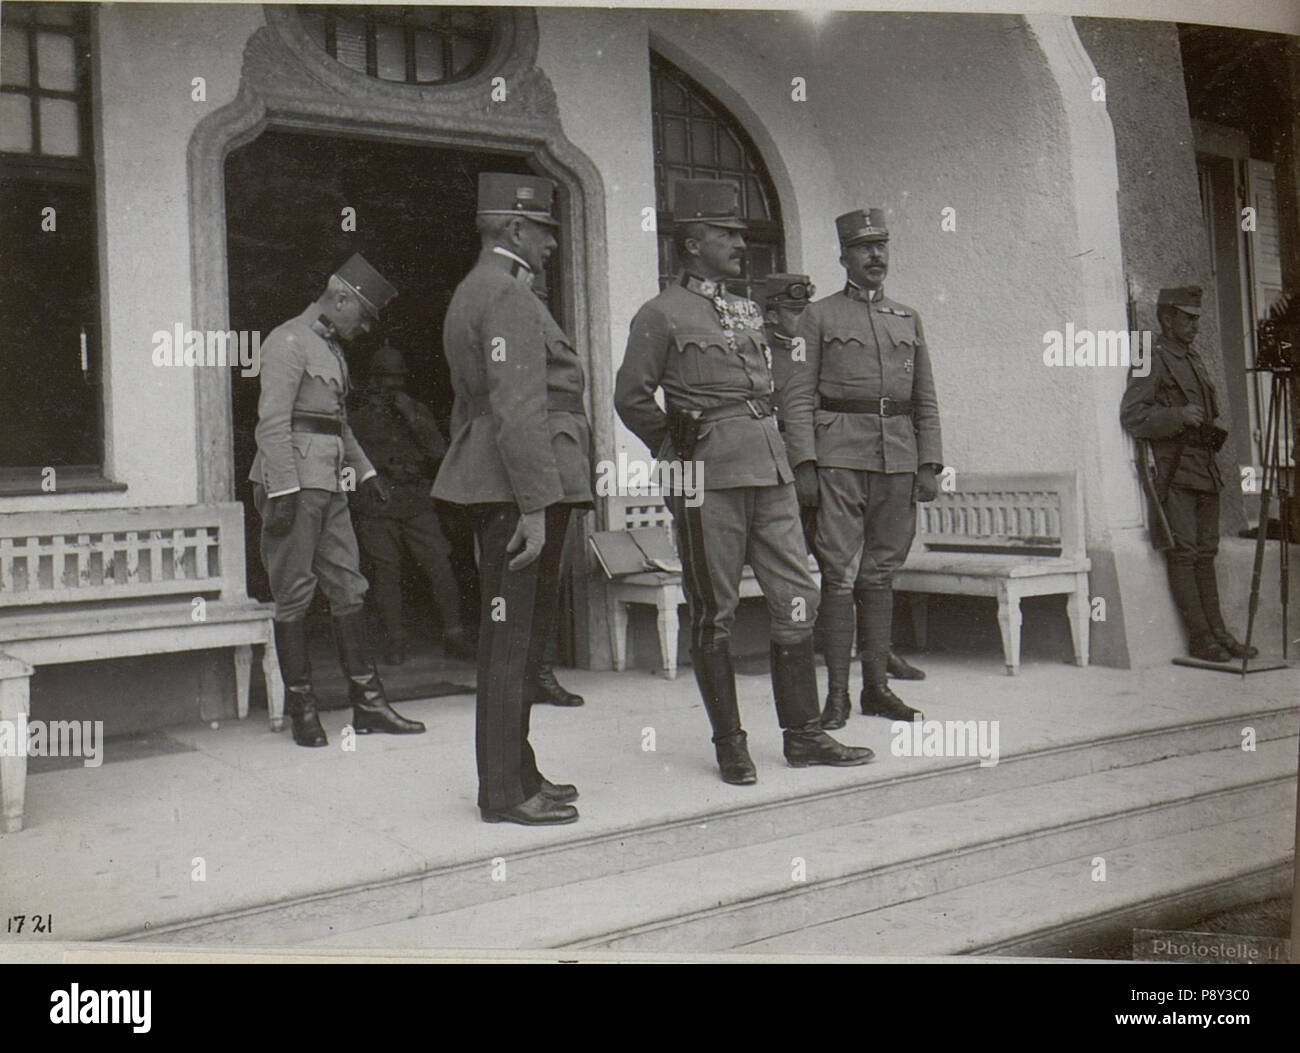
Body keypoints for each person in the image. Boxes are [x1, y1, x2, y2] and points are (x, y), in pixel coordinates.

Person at [615, 179, 874, 786]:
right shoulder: (659, 314)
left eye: (740, 232)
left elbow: (773, 388)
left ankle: (804, 735)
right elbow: (630, 395)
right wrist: (676, 446)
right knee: (716, 611)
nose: (740, 242)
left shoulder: (743, 309)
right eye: (726, 234)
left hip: (770, 467)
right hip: (708, 477)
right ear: (692, 242)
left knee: (796, 596)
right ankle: (731, 744)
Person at [432, 172, 593, 826]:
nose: (553, 244)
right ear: (513, 228)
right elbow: (519, 406)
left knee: (517, 640)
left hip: (501, 481)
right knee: (511, 640)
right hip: (522, 489)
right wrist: (532, 505)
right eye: (545, 231)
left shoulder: (481, 291)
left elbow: (470, 407)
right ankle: (503, 791)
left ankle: (518, 770)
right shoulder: (508, 297)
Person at [249, 254, 426, 748]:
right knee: (295, 591)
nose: (366, 326)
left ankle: (368, 705)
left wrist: (366, 472)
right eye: (363, 314)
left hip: (329, 483)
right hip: (295, 485)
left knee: (349, 584)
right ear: (340, 296)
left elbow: (336, 424)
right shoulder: (287, 341)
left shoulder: (332, 351)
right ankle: (303, 708)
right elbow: (272, 422)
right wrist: (282, 490)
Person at [782, 210, 943, 731]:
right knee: (837, 574)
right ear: (844, 257)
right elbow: (798, 395)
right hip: (839, 459)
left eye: (882, 247)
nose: (876, 257)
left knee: (880, 575)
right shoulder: (819, 316)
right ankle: (836, 696)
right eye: (864, 249)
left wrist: (930, 462)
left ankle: (876, 688)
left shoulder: (907, 318)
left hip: (896, 457)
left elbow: (926, 399)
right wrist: (804, 462)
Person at [764, 273, 926, 683]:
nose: (796, 316)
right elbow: (792, 403)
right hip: (801, 463)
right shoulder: (768, 349)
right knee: (830, 566)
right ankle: (825, 672)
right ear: (770, 313)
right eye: (788, 310)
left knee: (869, 568)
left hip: (851, 455)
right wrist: (805, 462)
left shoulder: (881, 321)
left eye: (800, 309)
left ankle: (877, 658)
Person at [1120, 285, 1256, 662]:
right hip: (1175, 470)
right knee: (1184, 554)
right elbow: (1132, 415)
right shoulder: (1149, 355)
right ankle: (1200, 637)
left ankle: (1219, 633)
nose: (1195, 324)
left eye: (1196, 317)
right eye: (1187, 317)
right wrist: (1177, 416)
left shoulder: (1193, 358)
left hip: (1205, 468)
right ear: (1166, 318)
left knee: (1206, 553)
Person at [348, 344, 475, 665]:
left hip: (416, 500)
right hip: (377, 504)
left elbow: (438, 452)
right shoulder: (357, 418)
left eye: (396, 379)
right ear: (372, 381)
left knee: (439, 566)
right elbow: (349, 461)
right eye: (383, 379)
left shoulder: (415, 411)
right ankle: (395, 640)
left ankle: (454, 634)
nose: (389, 386)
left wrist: (413, 417)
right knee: (385, 572)